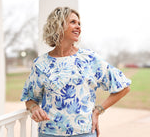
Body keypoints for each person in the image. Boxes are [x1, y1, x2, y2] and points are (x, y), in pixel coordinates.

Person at [21, 7, 131, 137]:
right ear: (58, 25)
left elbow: (123, 87)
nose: (78, 26)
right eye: (73, 22)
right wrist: (34, 108)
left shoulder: (89, 59)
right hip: (49, 133)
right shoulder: (40, 64)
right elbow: (29, 98)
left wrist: (98, 110)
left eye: (79, 23)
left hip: (84, 132)